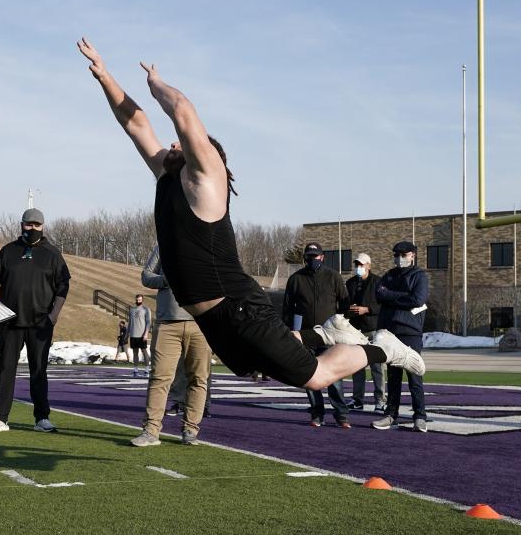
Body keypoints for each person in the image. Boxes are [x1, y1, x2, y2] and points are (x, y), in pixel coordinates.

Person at [77, 38, 423, 394]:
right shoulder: (168, 177)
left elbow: (181, 109)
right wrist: (105, 76)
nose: (173, 144)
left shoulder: (207, 181)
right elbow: (135, 125)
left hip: (237, 306)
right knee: (255, 365)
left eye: (181, 144)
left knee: (315, 378)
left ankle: (384, 348)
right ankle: (322, 334)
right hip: (213, 317)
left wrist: (156, 85)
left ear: (207, 157)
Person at [0, 208, 71, 433]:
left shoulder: (52, 253)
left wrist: (53, 316)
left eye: (37, 225)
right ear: (21, 225)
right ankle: (0, 418)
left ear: (43, 226)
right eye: (29, 224)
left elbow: (63, 287)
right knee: (7, 369)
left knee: (39, 370)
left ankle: (42, 418)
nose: (33, 229)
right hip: (9, 322)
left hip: (40, 323)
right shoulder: (8, 251)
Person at [131, 247, 213, 446]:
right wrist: (168, 280)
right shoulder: (164, 244)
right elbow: (146, 276)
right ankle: (151, 430)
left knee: (199, 378)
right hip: (168, 323)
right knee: (159, 377)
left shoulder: (208, 244)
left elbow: (223, 278)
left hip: (201, 323)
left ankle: (191, 430)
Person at [283, 242, 351, 428]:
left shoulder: (333, 276)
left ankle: (341, 415)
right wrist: (290, 332)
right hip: (305, 334)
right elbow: (288, 309)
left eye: (315, 256)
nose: (312, 260)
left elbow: (344, 304)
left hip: (329, 334)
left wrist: (341, 326)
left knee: (334, 376)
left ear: (322, 257)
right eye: (309, 257)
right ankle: (317, 414)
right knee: (310, 376)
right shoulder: (296, 279)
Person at [371, 242, 430, 432]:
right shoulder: (389, 275)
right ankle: (391, 414)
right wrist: (401, 296)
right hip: (390, 332)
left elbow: (417, 299)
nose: (399, 258)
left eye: (403, 254)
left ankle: (420, 416)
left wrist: (391, 296)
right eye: (396, 254)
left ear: (412, 255)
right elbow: (379, 294)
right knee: (393, 377)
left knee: (414, 376)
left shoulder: (419, 275)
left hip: (410, 331)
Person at [344, 252, 385, 411]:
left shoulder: (378, 282)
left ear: (369, 265)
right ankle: (357, 399)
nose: (358, 268)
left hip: (373, 329)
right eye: (356, 265)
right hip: (355, 330)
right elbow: (344, 303)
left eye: (361, 265)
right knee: (356, 367)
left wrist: (366, 309)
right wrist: (350, 310)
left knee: (377, 367)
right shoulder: (350, 283)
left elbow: (384, 305)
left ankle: (380, 400)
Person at [128, 294, 152, 378]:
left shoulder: (146, 309)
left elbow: (148, 322)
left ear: (142, 300)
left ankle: (146, 370)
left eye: (140, 300)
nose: (138, 301)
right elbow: (130, 322)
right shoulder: (131, 310)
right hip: (133, 335)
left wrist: (146, 333)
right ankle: (135, 370)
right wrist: (127, 334)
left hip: (142, 335)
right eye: (137, 300)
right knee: (135, 353)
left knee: (144, 352)